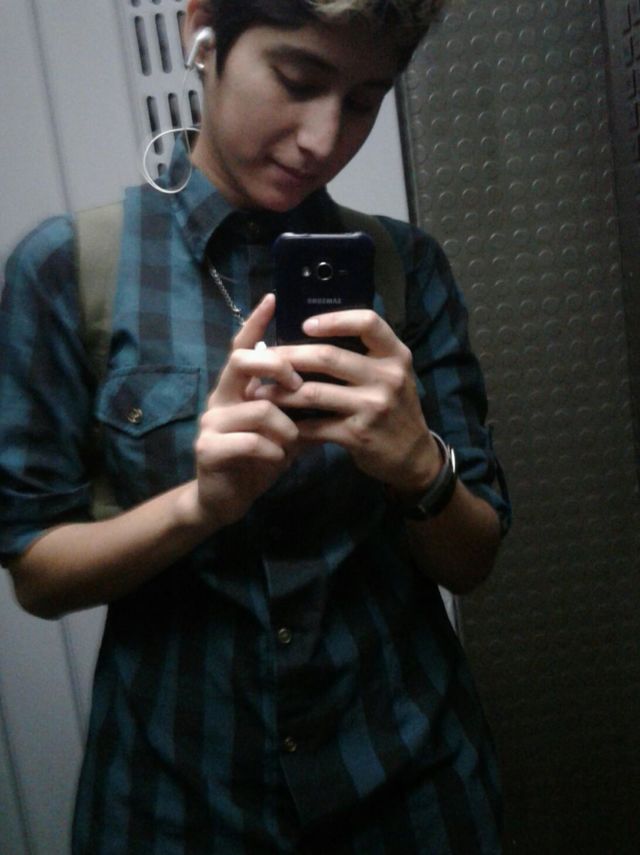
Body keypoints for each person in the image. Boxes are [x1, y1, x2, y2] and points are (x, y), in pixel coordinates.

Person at [0, 0, 511, 852]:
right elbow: (37, 573)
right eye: (298, 79)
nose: (322, 138)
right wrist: (200, 505)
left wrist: (419, 468)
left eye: (364, 100)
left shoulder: (407, 269)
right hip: (178, 804)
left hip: (412, 789)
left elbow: (475, 557)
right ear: (201, 30)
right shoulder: (68, 270)